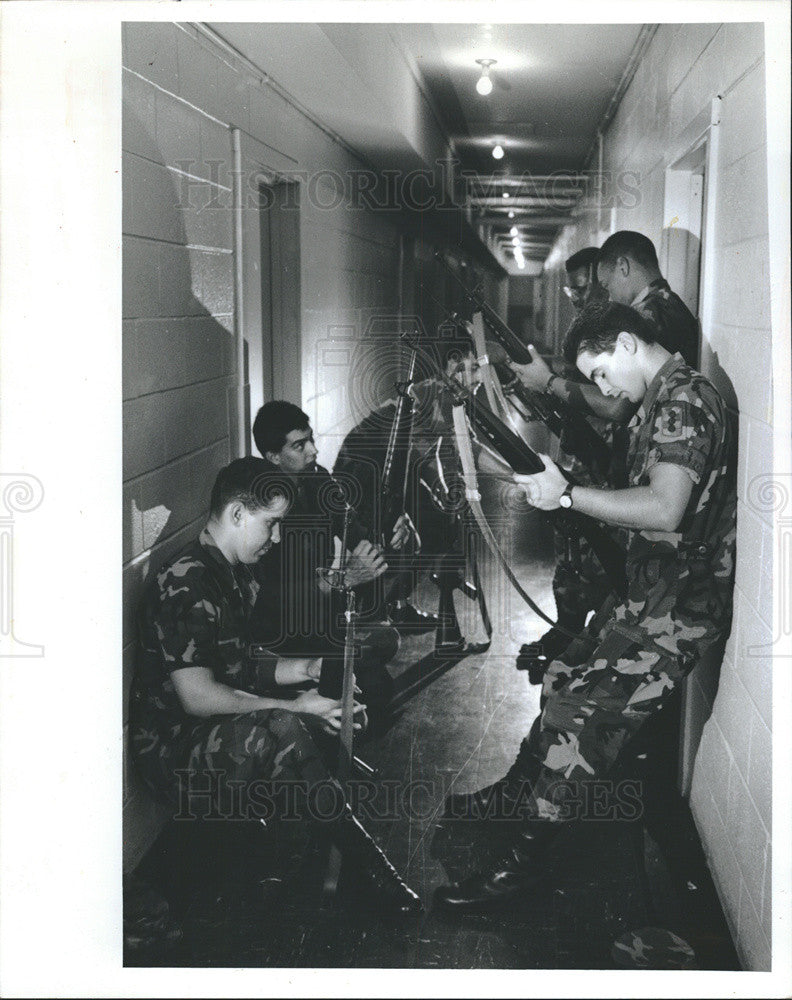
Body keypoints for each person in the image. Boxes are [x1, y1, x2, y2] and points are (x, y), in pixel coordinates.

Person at [435, 301, 736, 912]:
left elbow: (665, 508)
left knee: (581, 714)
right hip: (650, 592)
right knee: (564, 675)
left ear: (627, 342)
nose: (602, 387)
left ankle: (524, 861)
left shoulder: (684, 399)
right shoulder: (661, 397)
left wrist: (568, 496)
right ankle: (515, 800)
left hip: (679, 607)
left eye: (600, 371)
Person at [129, 457, 421, 917]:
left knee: (325, 697)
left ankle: (318, 836)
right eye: (272, 524)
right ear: (237, 514)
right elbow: (197, 695)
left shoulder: (231, 569)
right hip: (170, 747)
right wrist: (298, 707)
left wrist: (307, 667)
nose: (277, 537)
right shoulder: (185, 582)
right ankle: (370, 872)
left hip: (209, 726)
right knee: (288, 724)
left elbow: (240, 663)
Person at [250, 401, 408, 714]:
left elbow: (359, 535)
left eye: (311, 440)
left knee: (387, 640)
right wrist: (345, 579)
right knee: (376, 693)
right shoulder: (261, 507)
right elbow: (271, 600)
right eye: (299, 445)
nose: (312, 451)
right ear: (273, 457)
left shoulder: (317, 479)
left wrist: (394, 532)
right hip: (285, 632)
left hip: (324, 618)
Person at [332, 327, 484, 629]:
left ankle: (398, 605)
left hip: (394, 468)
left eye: (478, 368)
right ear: (449, 369)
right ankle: (368, 620)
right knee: (386, 542)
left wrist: (514, 472)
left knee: (435, 531)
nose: (475, 378)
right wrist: (455, 493)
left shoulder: (451, 394)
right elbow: (431, 458)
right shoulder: (435, 397)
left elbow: (469, 448)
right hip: (362, 471)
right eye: (467, 369)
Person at [515, 248, 621, 678]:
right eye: (570, 288)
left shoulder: (614, 332)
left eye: (583, 287)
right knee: (572, 548)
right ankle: (570, 629)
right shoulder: (590, 329)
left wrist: (551, 382)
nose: (576, 296)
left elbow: (612, 408)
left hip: (605, 466)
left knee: (597, 552)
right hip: (581, 454)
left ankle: (587, 642)